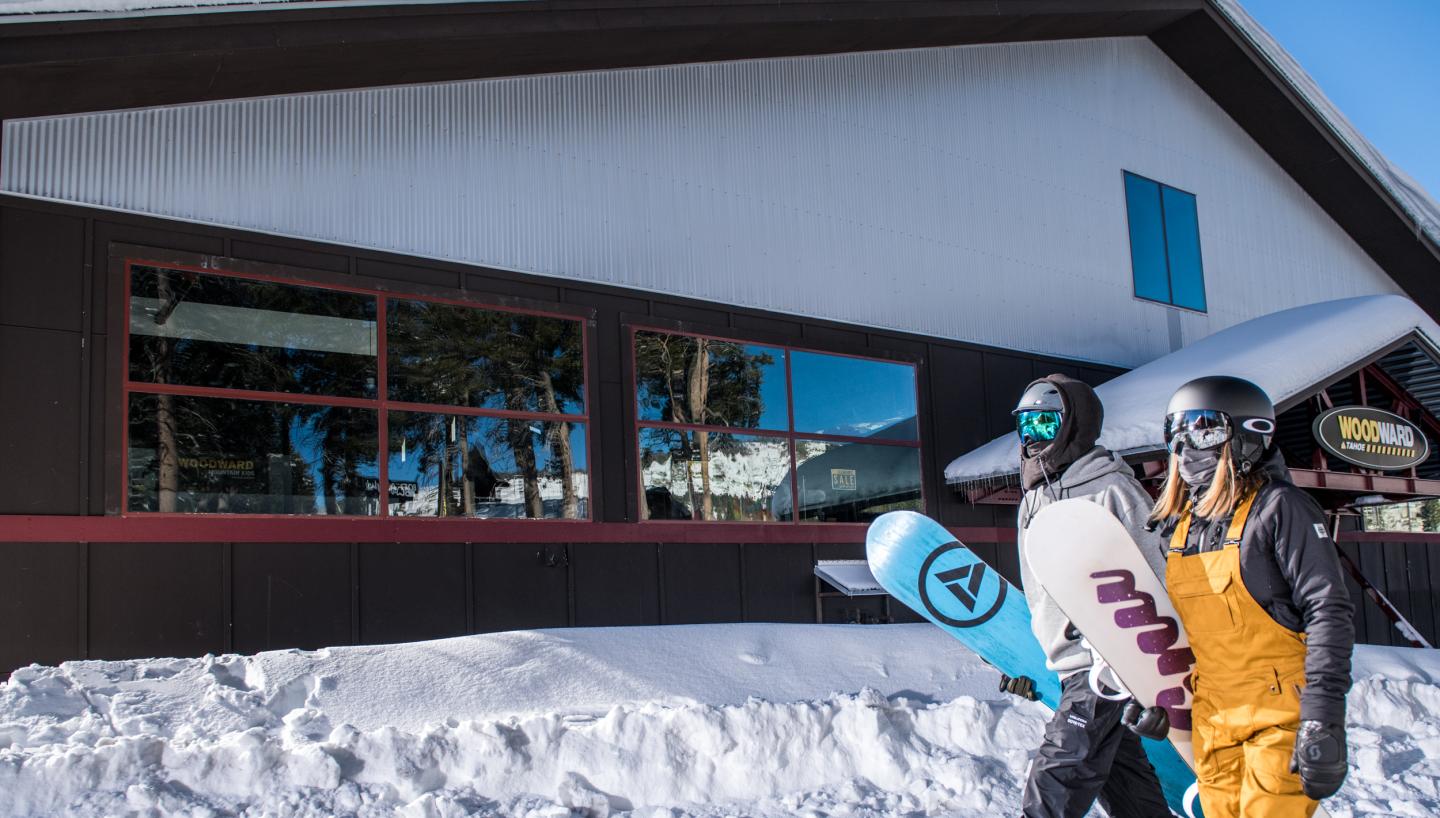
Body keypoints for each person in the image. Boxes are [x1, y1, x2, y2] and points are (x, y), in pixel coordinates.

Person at [1142, 375, 1354, 818]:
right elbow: (1173, 627)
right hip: (1213, 718)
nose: (1185, 447)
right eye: (1175, 432)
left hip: (1279, 719)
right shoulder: (1179, 530)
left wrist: (1324, 715)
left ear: (1245, 436)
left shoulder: (1280, 508)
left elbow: (1328, 610)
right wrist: (1153, 695)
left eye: (1203, 429)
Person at [1004, 374, 1171, 818]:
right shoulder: (1032, 501)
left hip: (1109, 663)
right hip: (1071, 666)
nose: (1032, 438)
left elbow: (1159, 574)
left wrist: (1148, 669)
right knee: (1126, 787)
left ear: (1073, 426)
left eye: (1044, 425)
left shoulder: (1112, 489)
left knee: (1055, 780)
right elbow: (1044, 594)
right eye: (1025, 426)